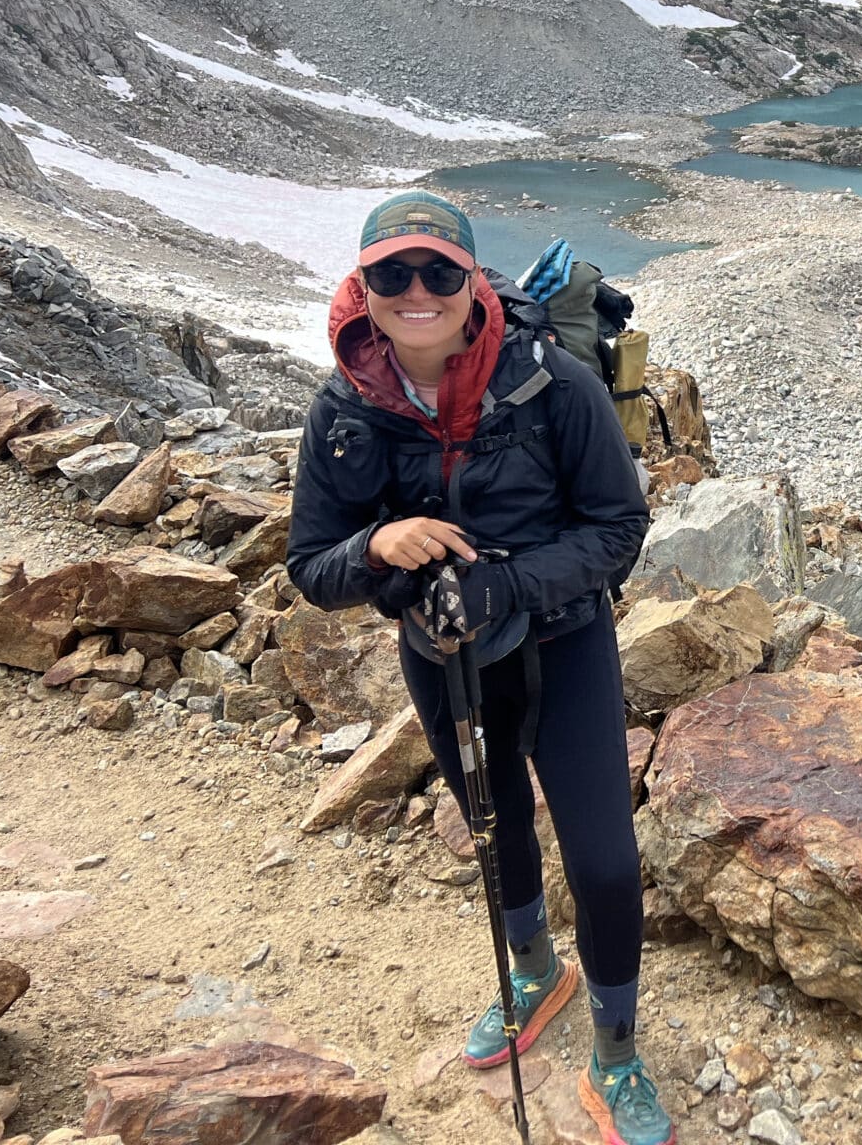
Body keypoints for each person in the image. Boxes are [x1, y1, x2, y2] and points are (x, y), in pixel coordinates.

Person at [286, 190, 671, 1145]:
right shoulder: (342, 409)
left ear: (470, 282)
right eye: (392, 274)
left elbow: (619, 528)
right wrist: (381, 545)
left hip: (565, 641)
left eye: (439, 273)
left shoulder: (551, 382)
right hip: (444, 658)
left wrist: (507, 587)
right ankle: (536, 973)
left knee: (608, 864)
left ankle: (616, 1051)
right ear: (363, 287)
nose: (417, 293)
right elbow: (311, 566)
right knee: (492, 827)